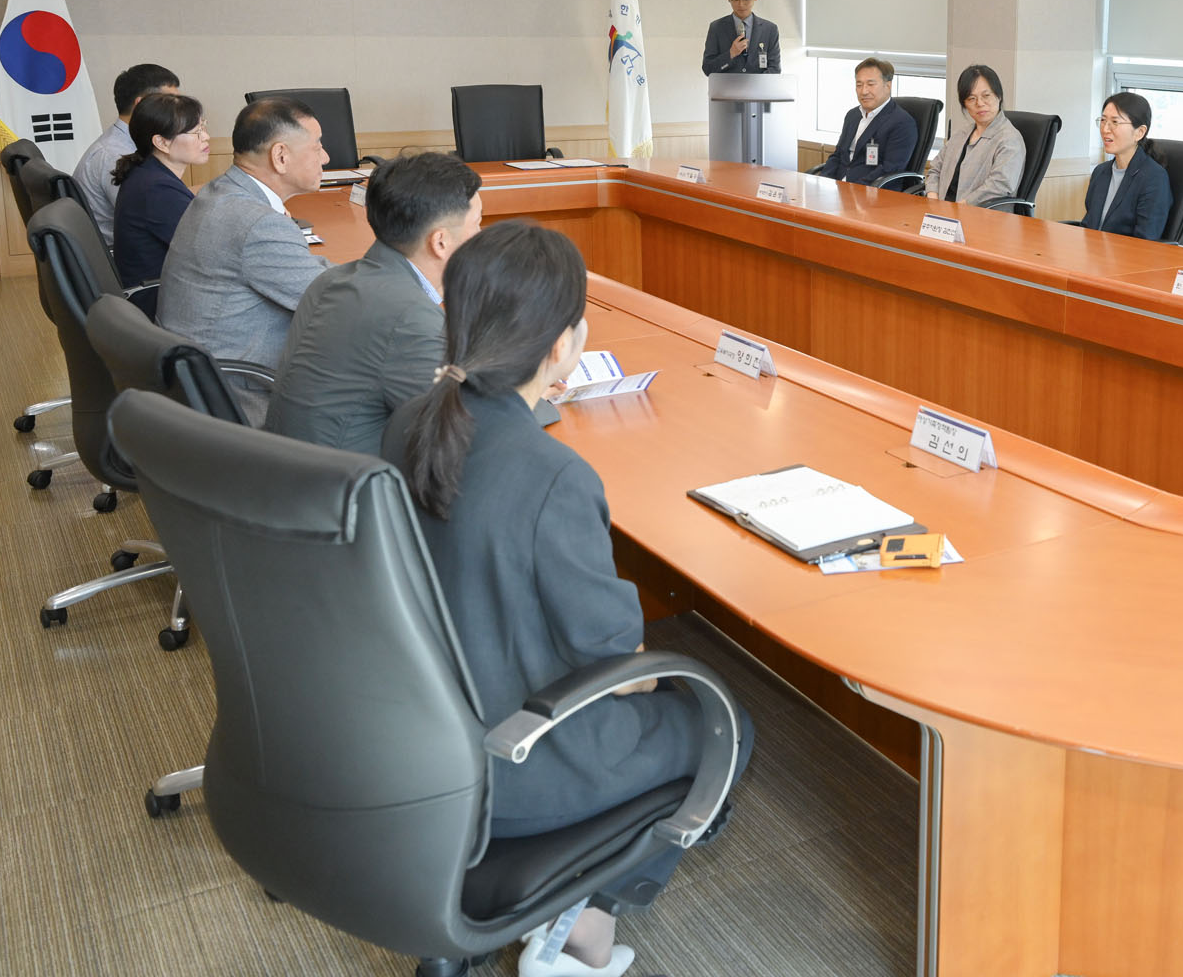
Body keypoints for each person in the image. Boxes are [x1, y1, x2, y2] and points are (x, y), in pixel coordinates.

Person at [383, 224, 754, 977]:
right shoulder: (554, 474)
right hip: (514, 757)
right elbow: (617, 667)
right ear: (563, 346)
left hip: (410, 738)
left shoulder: (410, 422)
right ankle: (586, 924)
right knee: (725, 724)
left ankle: (571, 912)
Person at [265, 153, 484, 455]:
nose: (481, 236)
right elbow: (468, 431)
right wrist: (531, 390)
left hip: (289, 468)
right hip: (348, 480)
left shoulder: (331, 281)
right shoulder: (409, 317)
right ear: (440, 242)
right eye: (477, 223)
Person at [156, 98, 331, 420]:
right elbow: (335, 299)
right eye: (317, 146)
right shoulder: (257, 223)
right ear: (280, 156)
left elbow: (309, 275)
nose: (325, 157)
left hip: (194, 378)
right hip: (237, 394)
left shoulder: (222, 192)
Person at [109, 92, 208, 317]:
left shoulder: (149, 174)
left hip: (164, 289)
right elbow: (209, 252)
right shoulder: (156, 190)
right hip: (159, 301)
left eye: (204, 127)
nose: (206, 137)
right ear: (162, 142)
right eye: (196, 132)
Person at [73, 62, 180, 246]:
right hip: (121, 255)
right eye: (170, 103)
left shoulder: (127, 143)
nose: (178, 112)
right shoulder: (114, 155)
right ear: (141, 105)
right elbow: (155, 216)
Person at [919, 65, 1026, 208]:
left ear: (999, 96)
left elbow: (1000, 185)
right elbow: (935, 169)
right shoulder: (960, 135)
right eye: (971, 98)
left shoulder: (1009, 139)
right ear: (964, 104)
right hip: (943, 212)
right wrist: (933, 199)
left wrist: (959, 208)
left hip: (982, 216)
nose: (980, 103)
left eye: (986, 96)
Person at [1077, 92, 1172, 240]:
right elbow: (1089, 225)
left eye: (1115, 122)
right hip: (1093, 250)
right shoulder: (1100, 172)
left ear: (1139, 132)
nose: (1105, 129)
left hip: (1127, 254)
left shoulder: (1154, 178)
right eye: (1103, 120)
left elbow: (1146, 240)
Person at [810, 57, 917, 186]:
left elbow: (890, 169)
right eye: (859, 85)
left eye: (870, 84)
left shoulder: (902, 123)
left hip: (872, 191)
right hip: (839, 188)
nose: (864, 91)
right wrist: (822, 181)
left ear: (888, 86)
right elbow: (838, 155)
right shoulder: (852, 115)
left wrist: (852, 190)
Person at [699, 0, 780, 75]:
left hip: (759, 86)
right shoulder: (716, 28)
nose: (741, 4)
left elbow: (775, 69)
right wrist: (730, 54)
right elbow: (708, 69)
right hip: (726, 86)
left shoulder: (770, 29)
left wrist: (755, 84)